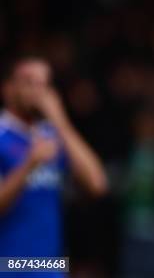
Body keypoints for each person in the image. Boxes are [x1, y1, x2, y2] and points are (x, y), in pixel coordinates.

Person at [0, 56, 107, 276]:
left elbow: (97, 184)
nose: (39, 91)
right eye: (30, 82)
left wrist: (60, 121)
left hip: (51, 268)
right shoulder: (2, 135)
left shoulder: (53, 135)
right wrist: (30, 163)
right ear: (9, 88)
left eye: (45, 84)